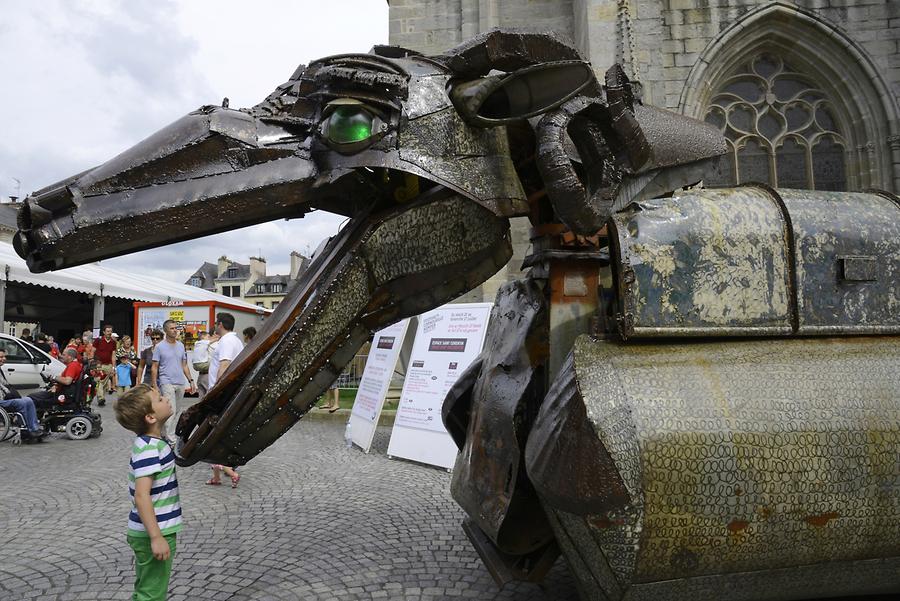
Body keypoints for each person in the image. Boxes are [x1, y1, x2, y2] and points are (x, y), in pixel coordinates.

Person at [113, 385, 182, 601]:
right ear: (151, 417)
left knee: (147, 588)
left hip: (152, 531)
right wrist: (156, 537)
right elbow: (142, 495)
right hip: (153, 532)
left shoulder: (154, 443)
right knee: (152, 594)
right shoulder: (149, 448)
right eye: (160, 399)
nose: (165, 399)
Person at [151, 320, 196, 442]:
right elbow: (154, 367)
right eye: (172, 328)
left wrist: (191, 380)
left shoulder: (181, 345)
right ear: (165, 331)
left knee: (176, 412)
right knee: (171, 410)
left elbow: (185, 365)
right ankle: (171, 440)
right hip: (167, 382)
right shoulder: (159, 347)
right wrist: (155, 385)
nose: (175, 330)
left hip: (180, 382)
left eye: (176, 328)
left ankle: (163, 433)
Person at [0, 349, 45, 440]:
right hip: (1, 401)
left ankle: (34, 428)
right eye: (1, 357)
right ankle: (25, 431)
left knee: (28, 400)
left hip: (4, 398)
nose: (4, 358)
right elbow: (3, 387)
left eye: (4, 356)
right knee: (21, 403)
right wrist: (10, 393)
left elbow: (5, 385)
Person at [29, 348, 83, 413]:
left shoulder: (73, 366)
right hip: (62, 392)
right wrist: (55, 385)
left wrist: (53, 377)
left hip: (62, 395)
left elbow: (67, 381)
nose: (62, 356)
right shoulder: (76, 364)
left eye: (64, 355)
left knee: (32, 397)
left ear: (69, 356)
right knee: (37, 396)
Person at [208, 313, 244, 389]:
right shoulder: (236, 340)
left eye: (216, 323)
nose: (214, 326)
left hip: (222, 389)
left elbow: (224, 365)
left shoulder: (226, 341)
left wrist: (216, 389)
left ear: (220, 324)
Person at [93, 325, 117, 404]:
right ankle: (100, 398)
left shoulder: (113, 342)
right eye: (108, 331)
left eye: (110, 331)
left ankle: (101, 396)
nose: (109, 333)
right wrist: (92, 363)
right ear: (104, 332)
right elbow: (92, 351)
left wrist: (114, 367)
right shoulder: (98, 340)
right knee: (99, 381)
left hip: (108, 365)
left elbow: (113, 355)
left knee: (105, 383)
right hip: (99, 365)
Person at [191, 331, 211, 398]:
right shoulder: (204, 342)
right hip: (202, 365)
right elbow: (212, 341)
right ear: (203, 337)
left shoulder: (197, 343)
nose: (209, 338)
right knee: (215, 364)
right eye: (208, 337)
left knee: (201, 394)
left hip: (195, 365)